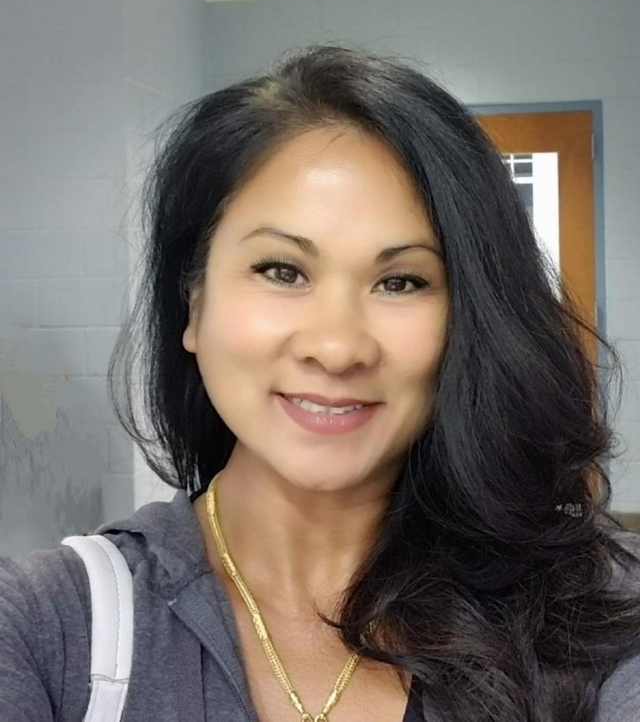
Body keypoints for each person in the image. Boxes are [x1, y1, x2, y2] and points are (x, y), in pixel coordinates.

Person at [2, 45, 640, 722]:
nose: (336, 348)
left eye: (402, 282)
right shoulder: (45, 630)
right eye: (281, 271)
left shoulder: (601, 617)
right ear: (193, 302)